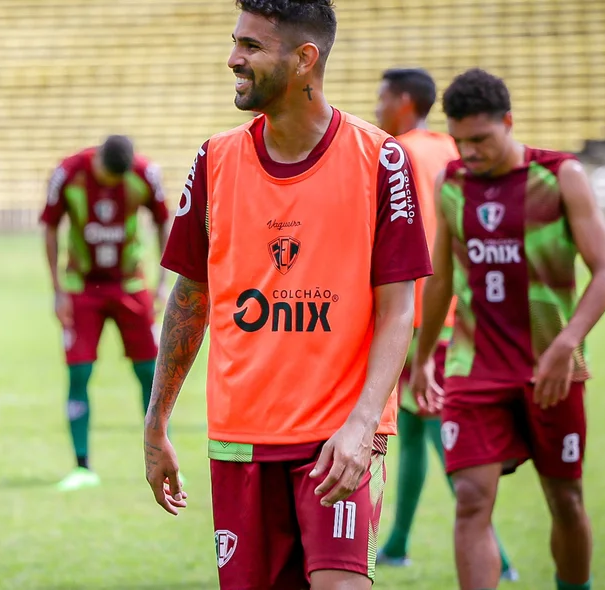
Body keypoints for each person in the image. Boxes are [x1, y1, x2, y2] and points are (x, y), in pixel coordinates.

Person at [143, 1, 434, 588]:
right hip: (240, 438)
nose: (233, 59)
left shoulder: (382, 159)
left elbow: (399, 308)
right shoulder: (215, 159)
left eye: (251, 46)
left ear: (304, 59)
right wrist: (156, 423)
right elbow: (189, 298)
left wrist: (364, 423)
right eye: (236, 43)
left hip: (338, 439)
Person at [409, 68, 605, 590]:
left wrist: (567, 345)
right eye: (460, 141)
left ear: (508, 122)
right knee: (471, 500)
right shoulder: (451, 183)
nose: (470, 152)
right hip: (472, 368)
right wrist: (420, 360)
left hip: (552, 371)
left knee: (565, 500)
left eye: (481, 139)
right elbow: (440, 282)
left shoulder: (561, 176)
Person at [373, 67, 518, 582]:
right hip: (461, 308)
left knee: (438, 430)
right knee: (411, 428)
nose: (375, 110)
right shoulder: (450, 150)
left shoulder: (397, 154)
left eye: (381, 99)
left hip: (417, 312)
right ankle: (396, 544)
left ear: (405, 102)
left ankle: (496, 556)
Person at [40, 134, 171, 491]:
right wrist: (56, 290)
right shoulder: (68, 173)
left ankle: (162, 457)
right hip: (82, 289)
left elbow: (164, 219)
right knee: (79, 372)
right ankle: (82, 466)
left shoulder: (144, 174)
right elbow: (49, 227)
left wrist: (162, 279)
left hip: (130, 286)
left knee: (152, 373)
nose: (112, 187)